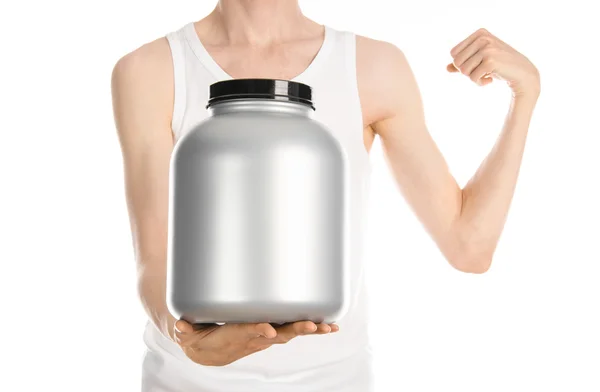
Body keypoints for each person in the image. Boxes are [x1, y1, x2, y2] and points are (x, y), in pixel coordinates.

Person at [111, 1, 540, 390]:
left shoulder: (373, 67)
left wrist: (525, 95)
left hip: (333, 381)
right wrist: (183, 336)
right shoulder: (150, 69)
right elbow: (155, 257)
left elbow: (469, 247)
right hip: (187, 383)